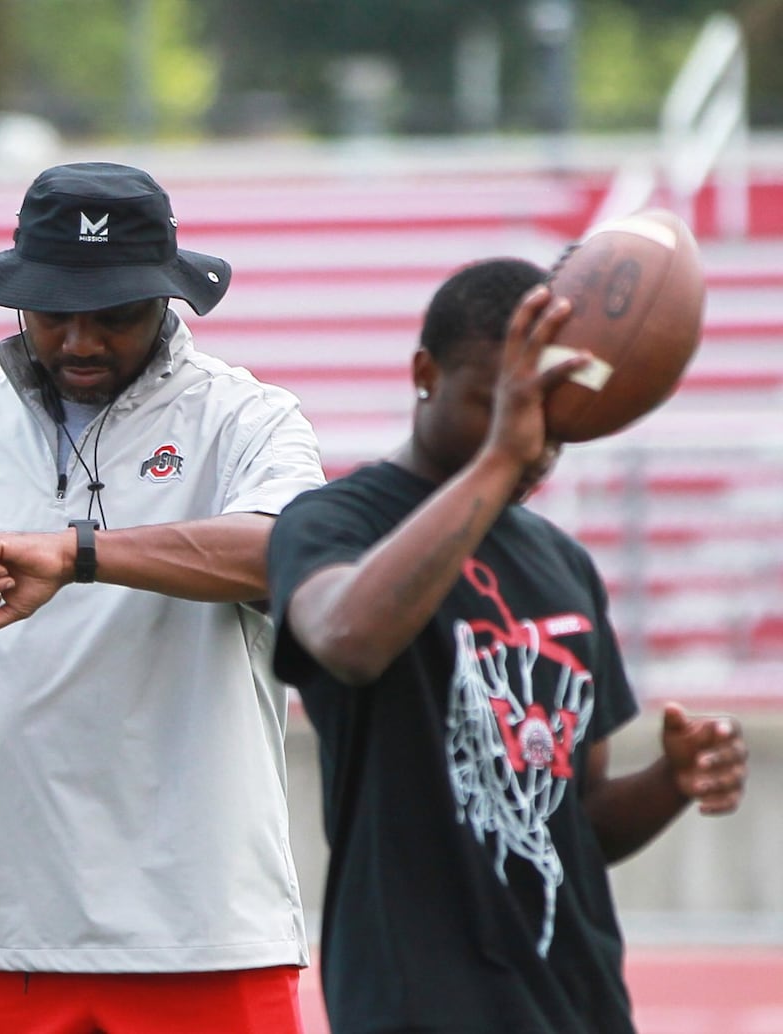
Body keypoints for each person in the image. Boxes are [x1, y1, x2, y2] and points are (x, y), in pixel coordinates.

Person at [0, 162, 324, 1033]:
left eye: (113, 314)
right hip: (5, 931)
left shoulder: (246, 419)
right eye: (52, 313)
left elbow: (284, 552)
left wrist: (81, 553)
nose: (80, 341)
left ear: (166, 300)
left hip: (200, 929)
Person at [266, 257, 750, 1033]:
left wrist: (672, 779)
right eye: (498, 400)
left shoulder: (564, 564)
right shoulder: (332, 523)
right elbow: (348, 639)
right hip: (417, 1004)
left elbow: (577, 817)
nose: (533, 431)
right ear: (426, 373)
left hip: (577, 1003)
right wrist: (501, 456)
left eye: (549, 406)